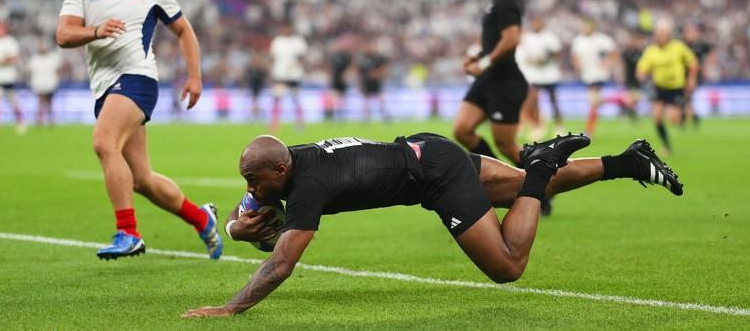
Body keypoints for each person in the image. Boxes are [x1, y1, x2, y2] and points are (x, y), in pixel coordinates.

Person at [182, 131, 682, 317]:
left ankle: (542, 162)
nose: (249, 188)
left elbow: (282, 264)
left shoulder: (306, 187)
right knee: (535, 195)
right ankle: (631, 162)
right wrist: (233, 227)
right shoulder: (289, 163)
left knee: (508, 264)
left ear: (280, 171)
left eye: (254, 179)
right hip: (428, 148)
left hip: (435, 175)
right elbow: (245, 209)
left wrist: (231, 308)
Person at [55, 0, 222, 260]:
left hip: (138, 80)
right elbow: (64, 34)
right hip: (105, 88)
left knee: (103, 143)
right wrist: (97, 31)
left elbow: (184, 32)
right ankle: (201, 218)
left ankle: (128, 232)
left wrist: (195, 76)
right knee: (141, 179)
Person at [455, 0, 526, 167]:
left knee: (506, 145)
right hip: (488, 78)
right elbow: (495, 39)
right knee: (463, 130)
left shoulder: (507, 0)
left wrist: (483, 64)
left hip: (504, 81)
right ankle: (500, 178)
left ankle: (545, 185)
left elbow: (511, 39)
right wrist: (476, 56)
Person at [636, 20, 698, 154]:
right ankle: (666, 146)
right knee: (657, 118)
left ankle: (683, 111)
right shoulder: (651, 50)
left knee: (673, 120)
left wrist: (691, 79)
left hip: (676, 88)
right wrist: (641, 74)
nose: (661, 37)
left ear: (669, 34)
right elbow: (642, 68)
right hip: (659, 87)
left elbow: (693, 63)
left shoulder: (678, 47)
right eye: (659, 34)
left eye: (664, 34)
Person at [516, 15, 564, 141]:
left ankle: (558, 126)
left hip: (549, 74)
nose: (536, 25)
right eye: (534, 22)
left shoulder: (550, 37)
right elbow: (523, 55)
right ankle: (538, 126)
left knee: (553, 101)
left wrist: (546, 59)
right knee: (533, 101)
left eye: (538, 22)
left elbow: (557, 53)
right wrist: (531, 60)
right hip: (535, 75)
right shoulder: (527, 38)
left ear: (542, 23)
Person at [570, 19, 617, 137]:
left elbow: (613, 54)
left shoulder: (602, 39)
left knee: (593, 102)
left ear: (593, 27)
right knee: (595, 102)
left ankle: (589, 130)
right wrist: (578, 66)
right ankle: (620, 100)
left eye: (588, 27)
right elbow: (575, 57)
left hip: (599, 74)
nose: (586, 29)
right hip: (587, 75)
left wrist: (608, 64)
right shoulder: (578, 41)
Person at [0, 22, 25, 135]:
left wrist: (3, 61)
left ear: (4, 30)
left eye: (0, 29)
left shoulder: (10, 41)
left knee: (12, 100)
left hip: (8, 76)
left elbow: (14, 58)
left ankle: (20, 121)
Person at [268, 22, 307, 132]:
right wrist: (271, 71)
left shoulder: (298, 41)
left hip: (294, 74)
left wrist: (295, 65)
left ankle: (299, 122)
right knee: (277, 97)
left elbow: (302, 56)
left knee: (295, 98)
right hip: (280, 74)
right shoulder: (277, 41)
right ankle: (274, 123)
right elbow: (273, 57)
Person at [681, 22, 713, 128]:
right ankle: (691, 117)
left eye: (691, 32)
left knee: (686, 96)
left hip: (695, 75)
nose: (690, 35)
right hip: (682, 75)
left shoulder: (702, 45)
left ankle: (687, 117)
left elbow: (711, 53)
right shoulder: (683, 45)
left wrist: (706, 66)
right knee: (685, 97)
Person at [27, 41, 62, 126]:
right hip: (39, 84)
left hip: (50, 83)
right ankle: (40, 120)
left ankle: (50, 120)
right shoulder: (35, 59)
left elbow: (57, 71)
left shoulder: (52, 58)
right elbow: (30, 71)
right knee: (41, 101)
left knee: (49, 102)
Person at [358, 41, 390, 122]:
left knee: (380, 99)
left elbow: (385, 67)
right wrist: (360, 83)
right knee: (367, 100)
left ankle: (385, 116)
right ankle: (366, 118)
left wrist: (376, 73)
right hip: (367, 82)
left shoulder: (378, 58)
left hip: (376, 81)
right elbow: (361, 72)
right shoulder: (364, 59)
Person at [619, 30, 646, 121]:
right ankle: (628, 113)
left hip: (638, 78)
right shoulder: (627, 52)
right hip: (629, 78)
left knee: (635, 98)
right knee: (631, 97)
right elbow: (623, 65)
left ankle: (628, 112)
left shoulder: (641, 52)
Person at [246, 50, 268, 122]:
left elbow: (264, 77)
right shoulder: (251, 68)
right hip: (253, 87)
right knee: (255, 102)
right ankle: (257, 116)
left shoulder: (260, 69)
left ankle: (256, 116)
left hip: (259, 87)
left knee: (256, 102)